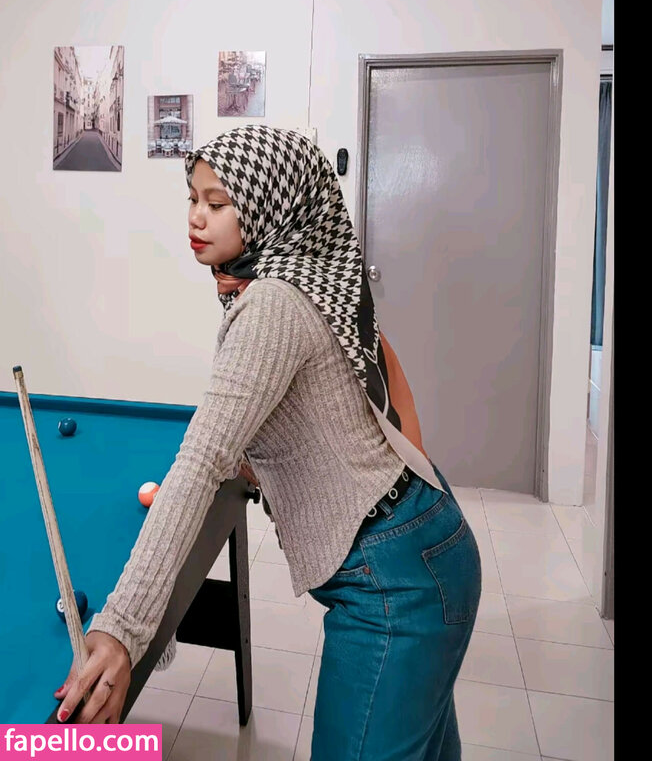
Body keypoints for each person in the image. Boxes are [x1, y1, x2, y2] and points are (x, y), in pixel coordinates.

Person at [53, 125, 482, 759]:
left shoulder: (272, 305)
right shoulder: (301, 279)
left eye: (218, 202)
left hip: (396, 585)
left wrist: (121, 631)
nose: (197, 217)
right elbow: (324, 413)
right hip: (424, 548)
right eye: (192, 198)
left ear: (266, 206)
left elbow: (202, 461)